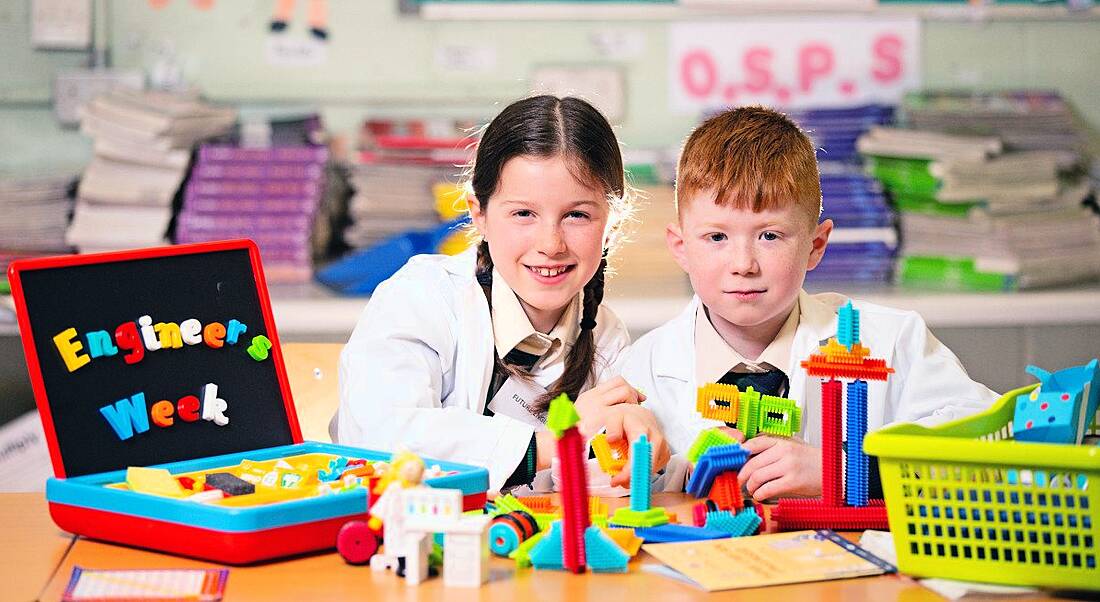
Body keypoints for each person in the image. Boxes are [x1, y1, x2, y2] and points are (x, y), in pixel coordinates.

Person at [618, 106, 998, 501]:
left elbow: (992, 446)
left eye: (769, 236)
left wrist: (847, 471)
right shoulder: (641, 369)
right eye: (717, 237)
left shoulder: (893, 341)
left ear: (816, 245)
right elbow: (601, 486)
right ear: (680, 246)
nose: (743, 265)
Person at [335, 95, 669, 493]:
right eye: (523, 214)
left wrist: (635, 456)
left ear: (611, 225)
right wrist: (555, 443)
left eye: (577, 215)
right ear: (480, 215)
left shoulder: (607, 339)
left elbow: (592, 489)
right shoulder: (421, 297)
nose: (550, 243)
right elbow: (383, 438)